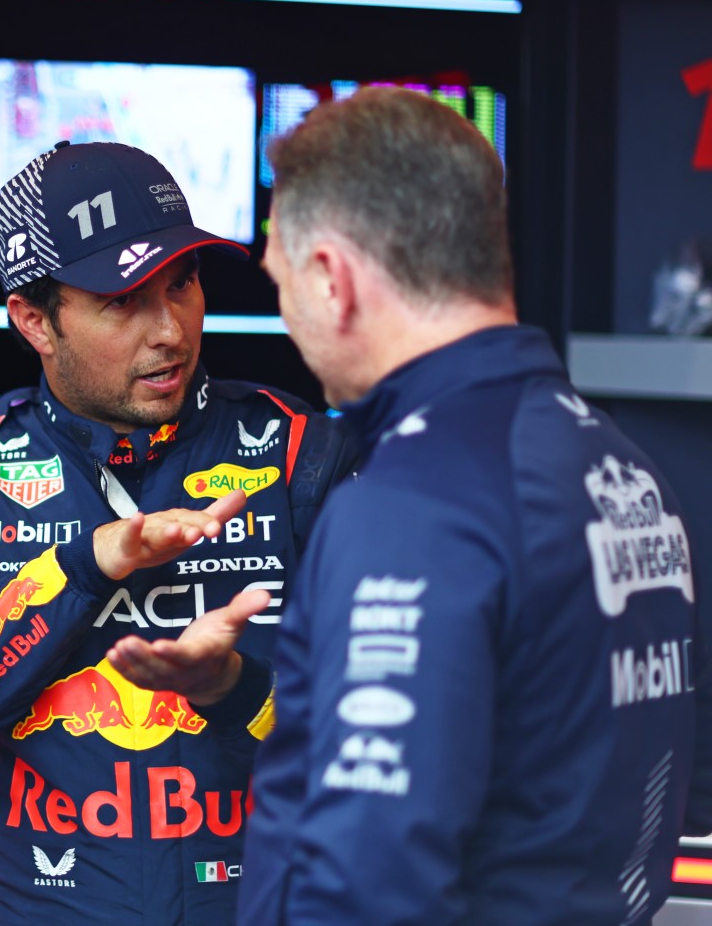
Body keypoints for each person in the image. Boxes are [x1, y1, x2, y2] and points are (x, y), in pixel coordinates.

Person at [152, 86, 708, 924]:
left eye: (280, 281)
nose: (287, 317)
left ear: (331, 278)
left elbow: (365, 884)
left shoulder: (414, 507)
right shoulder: (619, 466)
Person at [0, 140, 357, 924]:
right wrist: (83, 567)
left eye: (183, 283)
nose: (169, 330)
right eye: (122, 301)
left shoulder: (301, 453)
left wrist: (234, 689)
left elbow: (390, 728)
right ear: (35, 322)